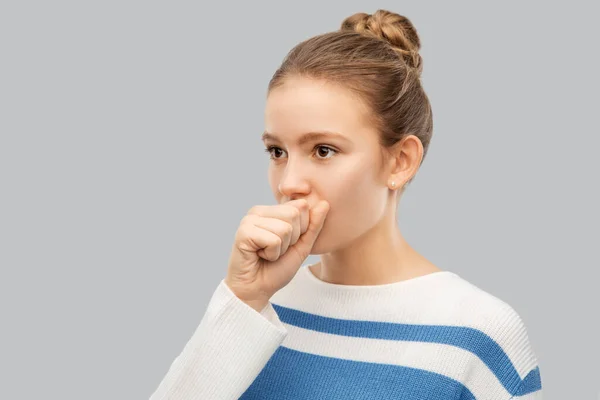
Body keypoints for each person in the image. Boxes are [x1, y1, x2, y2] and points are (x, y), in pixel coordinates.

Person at [149, 9, 542, 400]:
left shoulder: (477, 333)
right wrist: (243, 300)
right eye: (277, 151)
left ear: (401, 161)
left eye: (323, 150)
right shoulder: (255, 309)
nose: (288, 184)